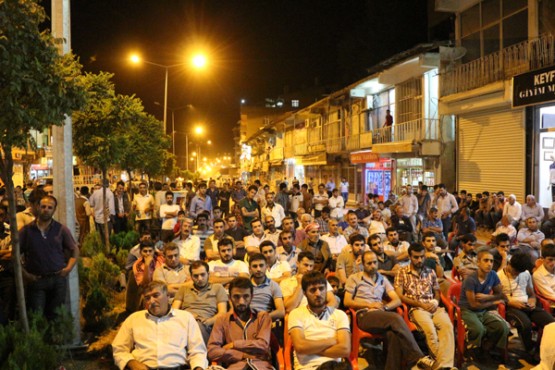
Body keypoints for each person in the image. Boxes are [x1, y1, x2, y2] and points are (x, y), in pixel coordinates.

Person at [343, 251, 434, 370]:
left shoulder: (382, 279)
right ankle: (417, 357)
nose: (372, 266)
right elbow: (347, 301)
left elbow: (397, 300)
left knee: (393, 334)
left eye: (375, 262)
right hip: (363, 315)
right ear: (363, 264)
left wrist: (385, 307)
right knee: (395, 317)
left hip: (381, 315)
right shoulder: (354, 278)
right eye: (369, 263)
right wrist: (369, 305)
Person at [112, 281, 207, 370]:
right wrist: (133, 363)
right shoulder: (134, 319)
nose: (152, 301)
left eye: (156, 295)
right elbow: (119, 349)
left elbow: (198, 351)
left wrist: (198, 368)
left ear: (168, 296)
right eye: (147, 298)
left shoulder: (185, 318)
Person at [395, 243, 456, 369]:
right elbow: (400, 296)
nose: (419, 260)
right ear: (410, 257)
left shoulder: (430, 272)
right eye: (416, 257)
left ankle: (444, 366)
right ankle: (443, 366)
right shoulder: (402, 272)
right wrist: (419, 304)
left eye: (422, 257)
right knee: (430, 332)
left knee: (447, 327)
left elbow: (437, 292)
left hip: (433, 307)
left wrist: (435, 302)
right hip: (417, 308)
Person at [19, 195, 79, 321]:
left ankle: (55, 340)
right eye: (43, 206)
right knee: (36, 317)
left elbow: (74, 250)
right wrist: (25, 275)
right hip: (36, 281)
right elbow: (16, 255)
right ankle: (40, 341)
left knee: (56, 316)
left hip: (57, 280)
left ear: (54, 210)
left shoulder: (61, 229)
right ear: (37, 207)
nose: (46, 209)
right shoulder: (27, 230)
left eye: (50, 207)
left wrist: (68, 269)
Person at [288, 271, 351, 370]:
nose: (318, 293)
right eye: (313, 290)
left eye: (321, 289)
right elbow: (300, 347)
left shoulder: (339, 315)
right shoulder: (296, 314)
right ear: (304, 293)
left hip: (334, 367)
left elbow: (345, 349)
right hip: (308, 367)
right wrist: (331, 341)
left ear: (326, 290)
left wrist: (310, 348)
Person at [498, 252, 554, 363]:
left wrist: (532, 301)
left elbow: (531, 294)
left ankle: (544, 348)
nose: (517, 274)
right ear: (509, 264)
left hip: (527, 305)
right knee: (525, 324)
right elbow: (498, 297)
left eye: (519, 272)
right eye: (515, 271)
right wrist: (510, 303)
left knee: (551, 323)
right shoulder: (498, 276)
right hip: (510, 307)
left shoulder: (526, 273)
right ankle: (530, 351)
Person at [207, 277, 273, 370]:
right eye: (236, 297)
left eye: (246, 296)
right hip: (235, 366)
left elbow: (262, 345)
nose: (241, 302)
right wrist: (241, 355)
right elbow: (212, 351)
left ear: (252, 296)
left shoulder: (263, 317)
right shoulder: (222, 320)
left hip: (261, 366)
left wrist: (234, 345)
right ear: (230, 298)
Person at [458, 250, 510, 362]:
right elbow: (474, 304)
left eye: (491, 261)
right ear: (478, 263)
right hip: (468, 310)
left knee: (502, 327)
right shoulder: (470, 280)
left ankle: (486, 348)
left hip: (484, 308)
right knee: (478, 329)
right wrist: (494, 301)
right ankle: (472, 350)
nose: (489, 264)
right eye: (486, 260)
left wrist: (488, 298)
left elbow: (501, 294)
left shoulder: (493, 275)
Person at [172, 260, 228, 345]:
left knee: (197, 327)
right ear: (191, 276)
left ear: (208, 274)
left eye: (203, 274)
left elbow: (223, 313)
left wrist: (208, 321)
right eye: (196, 276)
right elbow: (174, 311)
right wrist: (189, 316)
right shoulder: (184, 289)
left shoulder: (217, 288)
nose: (200, 279)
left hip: (207, 325)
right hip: (185, 322)